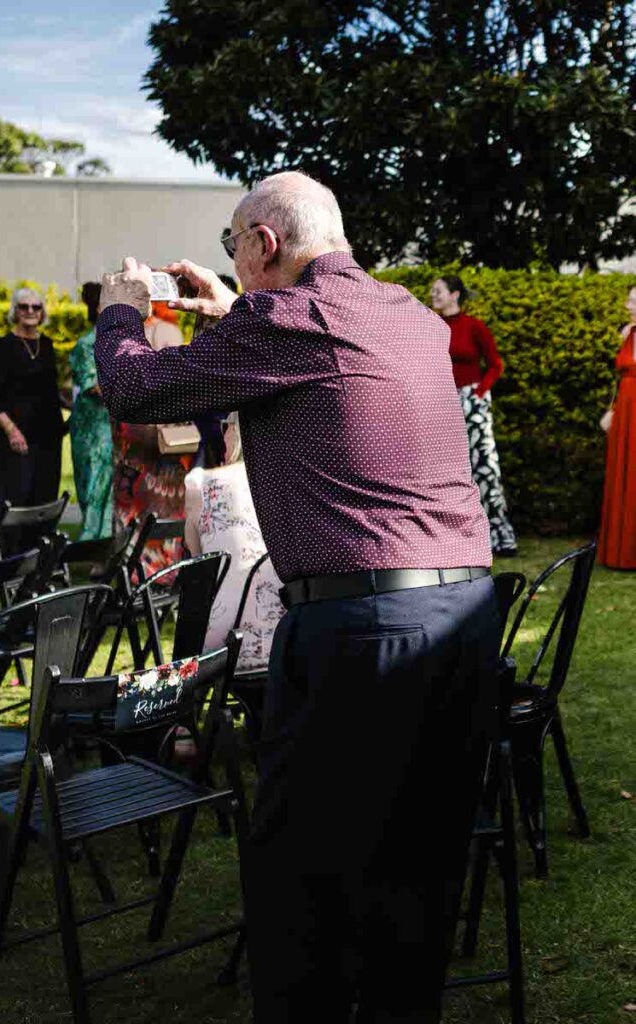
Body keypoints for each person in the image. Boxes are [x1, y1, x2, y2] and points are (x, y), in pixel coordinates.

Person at [95, 171, 498, 1024]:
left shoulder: (285, 321)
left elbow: (134, 390)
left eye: (233, 244)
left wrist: (121, 309)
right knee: (416, 867)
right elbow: (316, 346)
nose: (232, 260)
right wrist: (227, 309)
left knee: (300, 876)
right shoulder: (409, 316)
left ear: (263, 243)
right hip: (462, 616)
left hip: (361, 627)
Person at [184, 411, 283, 673]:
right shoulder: (286, 483)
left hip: (221, 645)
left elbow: (197, 563)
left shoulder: (199, 483)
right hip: (287, 642)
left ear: (233, 433)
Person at [431, 275, 517, 556]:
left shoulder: (473, 326)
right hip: (442, 401)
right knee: (445, 468)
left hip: (472, 401)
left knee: (483, 467)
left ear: (455, 294)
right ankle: (453, 533)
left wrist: (479, 394)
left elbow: (495, 365)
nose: (434, 295)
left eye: (439, 291)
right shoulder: (431, 326)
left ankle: (498, 534)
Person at [110, 301, 190, 577]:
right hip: (158, 442)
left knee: (136, 510)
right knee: (160, 512)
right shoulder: (167, 331)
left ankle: (135, 573)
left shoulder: (118, 334)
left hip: (137, 443)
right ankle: (162, 573)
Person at [0, 287, 65, 544]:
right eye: (24, 307)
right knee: (13, 503)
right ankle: (8, 569)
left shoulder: (47, 345)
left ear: (42, 313)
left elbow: (52, 392)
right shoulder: (3, 347)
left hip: (48, 441)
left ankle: (37, 567)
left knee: (43, 504)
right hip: (15, 441)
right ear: (15, 312)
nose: (30, 312)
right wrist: (11, 430)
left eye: (36, 307)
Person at [68, 282, 113, 541]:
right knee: (93, 485)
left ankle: (110, 547)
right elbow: (91, 386)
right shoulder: (86, 344)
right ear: (98, 308)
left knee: (113, 489)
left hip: (116, 426)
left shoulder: (121, 339)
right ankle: (93, 545)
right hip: (92, 429)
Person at [597, 285, 636, 568]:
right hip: (625, 412)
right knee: (621, 475)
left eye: (633, 301)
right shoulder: (627, 333)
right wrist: (611, 410)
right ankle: (619, 552)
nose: (628, 305)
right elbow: (618, 378)